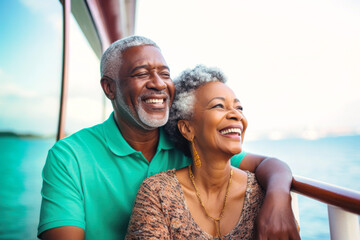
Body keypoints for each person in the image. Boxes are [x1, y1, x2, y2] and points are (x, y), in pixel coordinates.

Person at [38, 36, 300, 240]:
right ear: (109, 87)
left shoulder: (188, 141)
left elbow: (270, 165)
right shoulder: (69, 157)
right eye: (142, 73)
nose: (159, 84)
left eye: (164, 73)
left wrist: (278, 199)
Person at [126, 65, 266, 239]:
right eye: (219, 106)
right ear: (187, 128)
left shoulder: (262, 193)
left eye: (239, 107)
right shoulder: (158, 194)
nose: (236, 115)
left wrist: (279, 196)